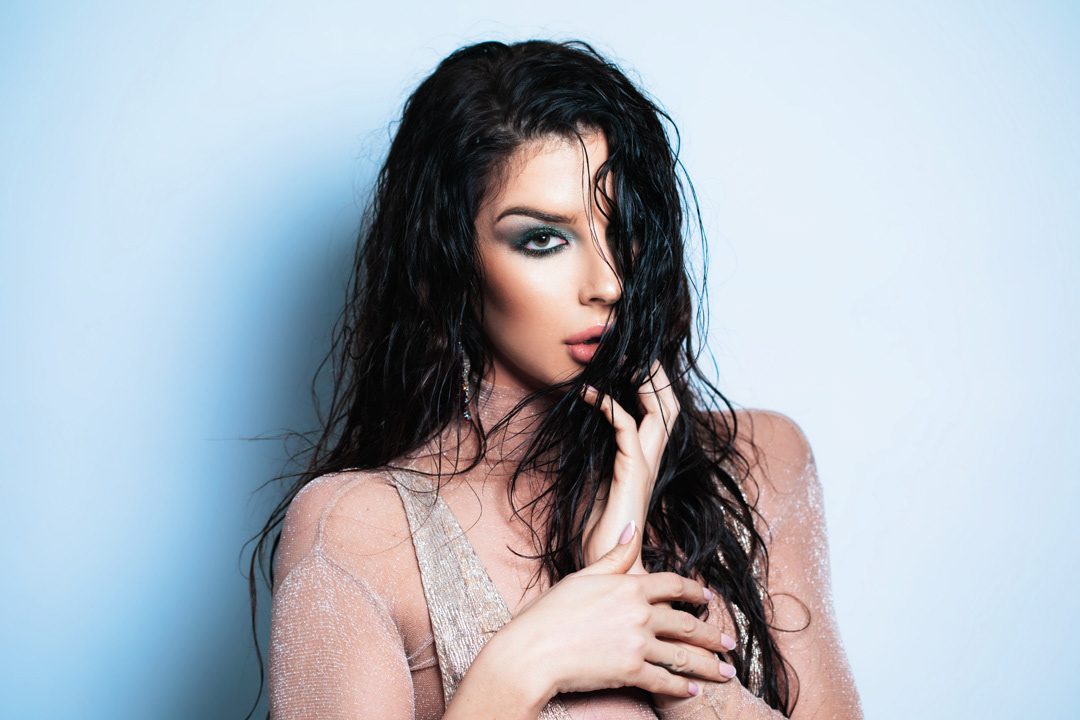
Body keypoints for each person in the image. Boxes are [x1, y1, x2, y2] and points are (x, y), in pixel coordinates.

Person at [251, 40, 862, 719]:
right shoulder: (358, 529)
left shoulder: (760, 463)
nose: (608, 284)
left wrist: (630, 586)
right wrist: (522, 665)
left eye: (620, 230)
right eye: (543, 239)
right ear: (448, 264)